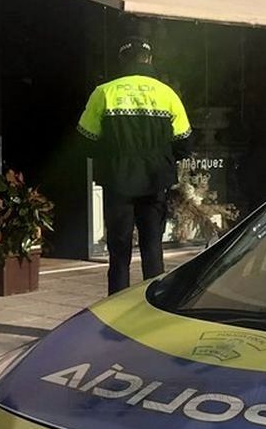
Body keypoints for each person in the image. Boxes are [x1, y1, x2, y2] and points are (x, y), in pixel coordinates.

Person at [77, 38, 192, 293]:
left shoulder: (104, 92)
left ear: (122, 61)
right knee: (153, 249)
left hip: (118, 181)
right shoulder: (167, 93)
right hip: (155, 182)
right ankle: (155, 306)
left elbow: (85, 139)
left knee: (119, 253)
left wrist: (111, 155)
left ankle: (117, 309)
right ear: (149, 59)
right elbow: (184, 143)